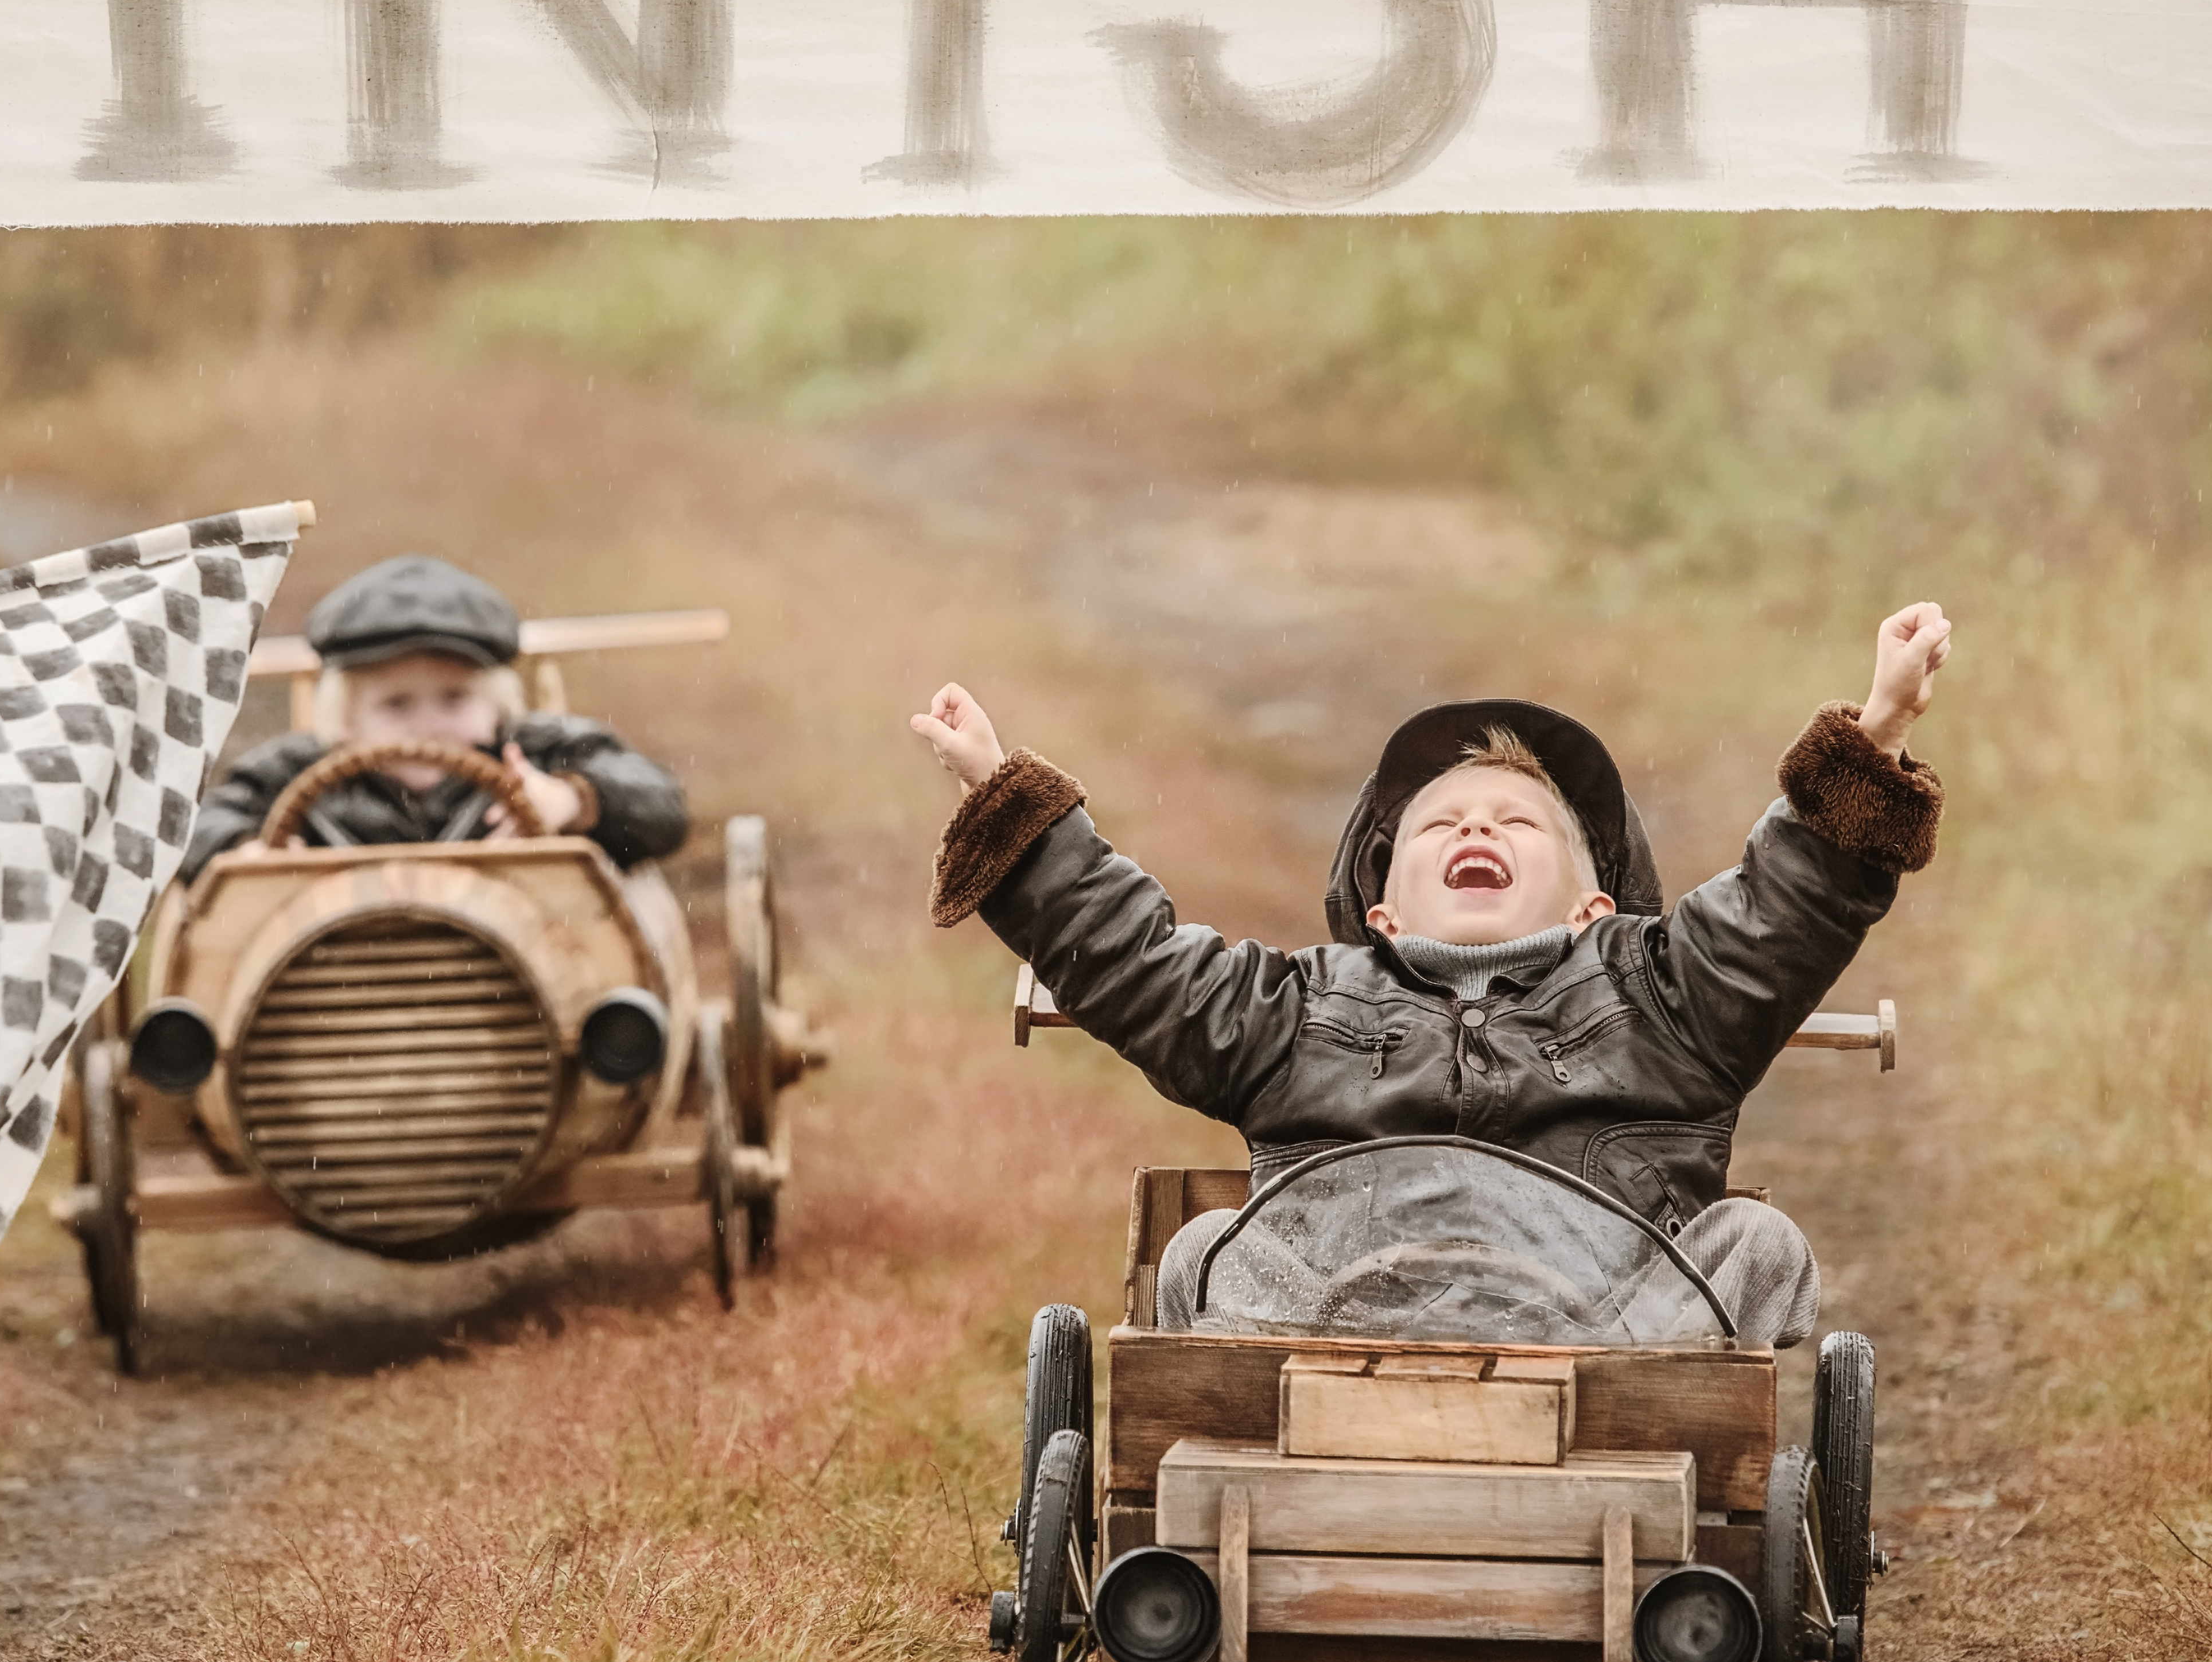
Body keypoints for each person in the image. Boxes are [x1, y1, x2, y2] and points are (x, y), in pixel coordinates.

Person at [907, 604, 1954, 1345]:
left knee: (1758, 1244)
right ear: (1383, 911)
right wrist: (1003, 794)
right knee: (1199, 1249)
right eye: (1441, 822)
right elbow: (1138, 967)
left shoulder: (1660, 997)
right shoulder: (1301, 1010)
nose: (1476, 826)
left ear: (1598, 907)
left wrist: (1878, 728)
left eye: (1515, 821)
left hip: (1600, 1336)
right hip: (1322, 1323)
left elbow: (1782, 913)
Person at [183, 555, 688, 879]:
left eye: (454, 700)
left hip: (526, 978)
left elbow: (662, 806)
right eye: (397, 705)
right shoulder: (302, 773)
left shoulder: (536, 754)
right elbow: (198, 823)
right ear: (346, 721)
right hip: (339, 978)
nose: (429, 727)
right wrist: (247, 846)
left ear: (498, 704)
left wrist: (573, 800)